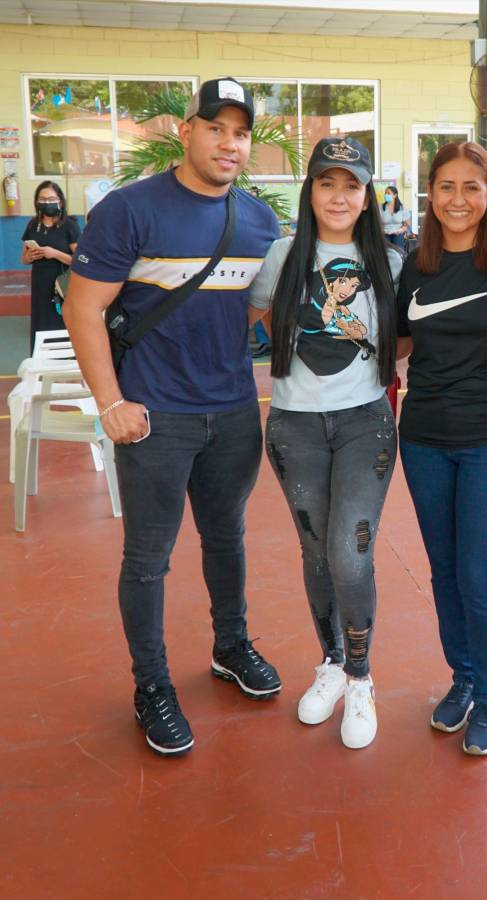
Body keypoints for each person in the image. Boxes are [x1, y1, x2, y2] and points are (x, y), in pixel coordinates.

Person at [63, 77, 282, 758]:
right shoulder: (129, 209)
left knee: (227, 538)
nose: (229, 142)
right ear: (183, 131)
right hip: (153, 416)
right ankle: (152, 685)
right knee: (148, 559)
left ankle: (229, 645)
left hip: (234, 410)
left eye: (241, 132)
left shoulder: (258, 222)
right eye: (215, 127)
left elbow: (250, 314)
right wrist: (111, 403)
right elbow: (83, 307)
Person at [249, 136, 401, 750]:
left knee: (349, 554)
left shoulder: (389, 262)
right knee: (315, 554)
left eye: (352, 185)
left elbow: (403, 339)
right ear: (309, 191)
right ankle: (333, 665)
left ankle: (362, 678)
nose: (339, 196)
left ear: (367, 197)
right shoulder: (284, 255)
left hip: (365, 423)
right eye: (327, 183)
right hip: (294, 427)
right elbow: (255, 315)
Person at [396, 141, 487, 756]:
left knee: (480, 575)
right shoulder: (414, 264)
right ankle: (461, 680)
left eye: (471, 187)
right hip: (425, 437)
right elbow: (398, 345)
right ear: (432, 193)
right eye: (447, 186)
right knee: (445, 572)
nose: (458, 199)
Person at [20, 181, 80, 353]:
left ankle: (64, 365)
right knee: (41, 324)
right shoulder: (32, 225)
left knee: (61, 324)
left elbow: (81, 261)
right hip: (40, 285)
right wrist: (29, 256)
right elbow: (23, 259)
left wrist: (55, 254)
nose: (47, 203)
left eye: (51, 199)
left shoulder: (70, 225)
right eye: (43, 199)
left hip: (62, 286)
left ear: (60, 201)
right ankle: (41, 363)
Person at [380, 185, 409, 249]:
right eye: (385, 193)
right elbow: (377, 222)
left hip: (398, 234)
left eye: (388, 193)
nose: (386, 195)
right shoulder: (381, 207)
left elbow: (407, 224)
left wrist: (401, 230)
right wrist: (383, 231)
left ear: (395, 195)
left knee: (398, 252)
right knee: (386, 253)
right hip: (385, 234)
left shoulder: (402, 208)